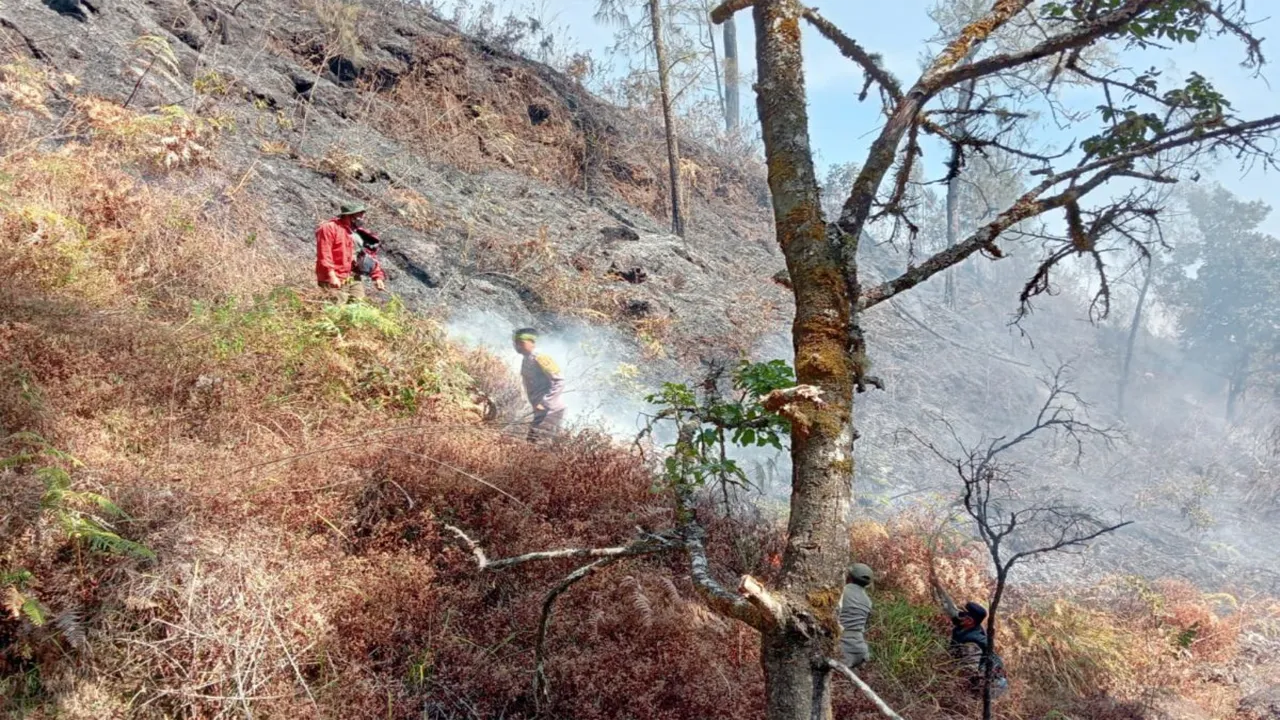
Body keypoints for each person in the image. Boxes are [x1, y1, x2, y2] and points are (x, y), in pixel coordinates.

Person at [315, 201, 386, 302]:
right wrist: (332, 276)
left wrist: (377, 277)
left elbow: (367, 256)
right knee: (337, 310)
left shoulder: (357, 233)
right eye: (359, 214)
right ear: (349, 216)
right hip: (335, 277)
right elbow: (324, 254)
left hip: (352, 277)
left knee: (359, 306)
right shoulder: (329, 228)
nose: (362, 217)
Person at [512, 328, 565, 443]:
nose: (518, 346)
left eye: (521, 343)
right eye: (516, 343)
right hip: (540, 410)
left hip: (551, 410)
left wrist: (544, 402)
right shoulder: (525, 360)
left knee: (537, 444)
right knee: (534, 443)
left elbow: (559, 381)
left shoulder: (541, 358)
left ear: (532, 343)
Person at [948, 601, 1009, 700]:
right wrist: (937, 585)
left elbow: (967, 676)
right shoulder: (971, 626)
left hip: (993, 685)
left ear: (969, 621)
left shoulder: (971, 645)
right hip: (990, 679)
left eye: (962, 614)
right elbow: (949, 608)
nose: (958, 615)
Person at [838, 563, 874, 669]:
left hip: (843, 647)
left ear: (849, 576)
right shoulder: (868, 601)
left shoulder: (841, 591)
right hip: (860, 649)